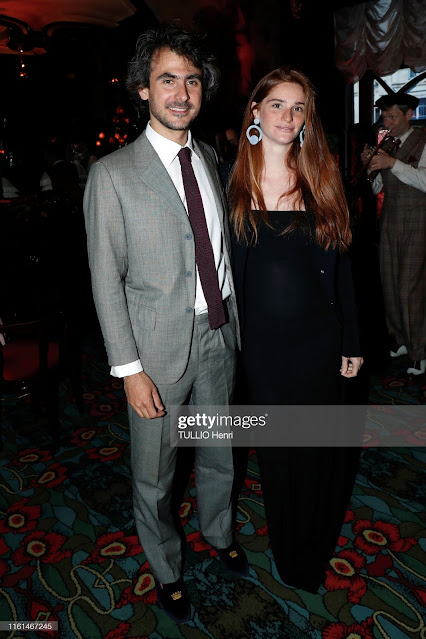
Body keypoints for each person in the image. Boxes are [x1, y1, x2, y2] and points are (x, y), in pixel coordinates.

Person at [83, 24, 248, 624]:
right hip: (154, 353)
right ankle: (167, 567)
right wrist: (129, 370)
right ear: (143, 89)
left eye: (192, 80)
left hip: (219, 334)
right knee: (155, 473)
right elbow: (106, 279)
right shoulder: (112, 174)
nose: (181, 93)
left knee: (220, 449)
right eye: (168, 80)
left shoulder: (209, 157)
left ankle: (219, 530)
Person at [226, 66, 363, 592]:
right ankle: (289, 550)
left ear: (308, 118)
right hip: (261, 350)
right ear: (255, 111)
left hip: (318, 342)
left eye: (298, 107)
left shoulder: (321, 176)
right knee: (278, 454)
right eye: (277, 104)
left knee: (317, 450)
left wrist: (351, 339)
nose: (287, 116)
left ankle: (313, 544)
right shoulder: (230, 183)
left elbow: (343, 268)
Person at [361, 91, 426, 376]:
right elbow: (378, 187)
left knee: (410, 287)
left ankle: (419, 352)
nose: (386, 123)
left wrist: (392, 163)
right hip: (389, 219)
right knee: (389, 282)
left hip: (418, 220)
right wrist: (370, 169)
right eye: (384, 117)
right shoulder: (386, 143)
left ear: (409, 115)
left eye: (392, 117)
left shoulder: (423, 140)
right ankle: (399, 339)